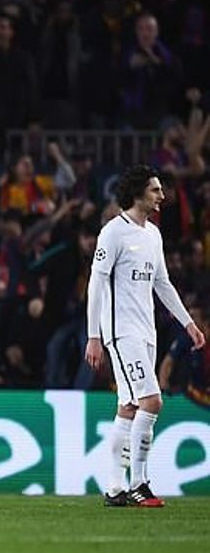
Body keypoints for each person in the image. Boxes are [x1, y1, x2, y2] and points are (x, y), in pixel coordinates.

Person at [84, 164, 205, 508]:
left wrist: (187, 323)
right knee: (152, 402)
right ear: (137, 193)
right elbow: (96, 284)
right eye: (155, 190)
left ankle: (113, 487)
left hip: (146, 331)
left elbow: (162, 283)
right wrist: (94, 336)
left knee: (128, 407)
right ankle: (139, 483)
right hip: (121, 333)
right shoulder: (113, 233)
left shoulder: (152, 234)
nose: (162, 196)